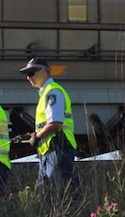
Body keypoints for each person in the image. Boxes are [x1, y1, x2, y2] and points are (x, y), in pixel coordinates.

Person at [18, 57, 79, 191]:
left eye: (31, 73)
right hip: (52, 150)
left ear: (43, 71)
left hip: (58, 149)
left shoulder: (52, 92)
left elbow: (55, 122)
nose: (28, 78)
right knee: (51, 193)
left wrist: (38, 137)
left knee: (60, 192)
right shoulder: (47, 92)